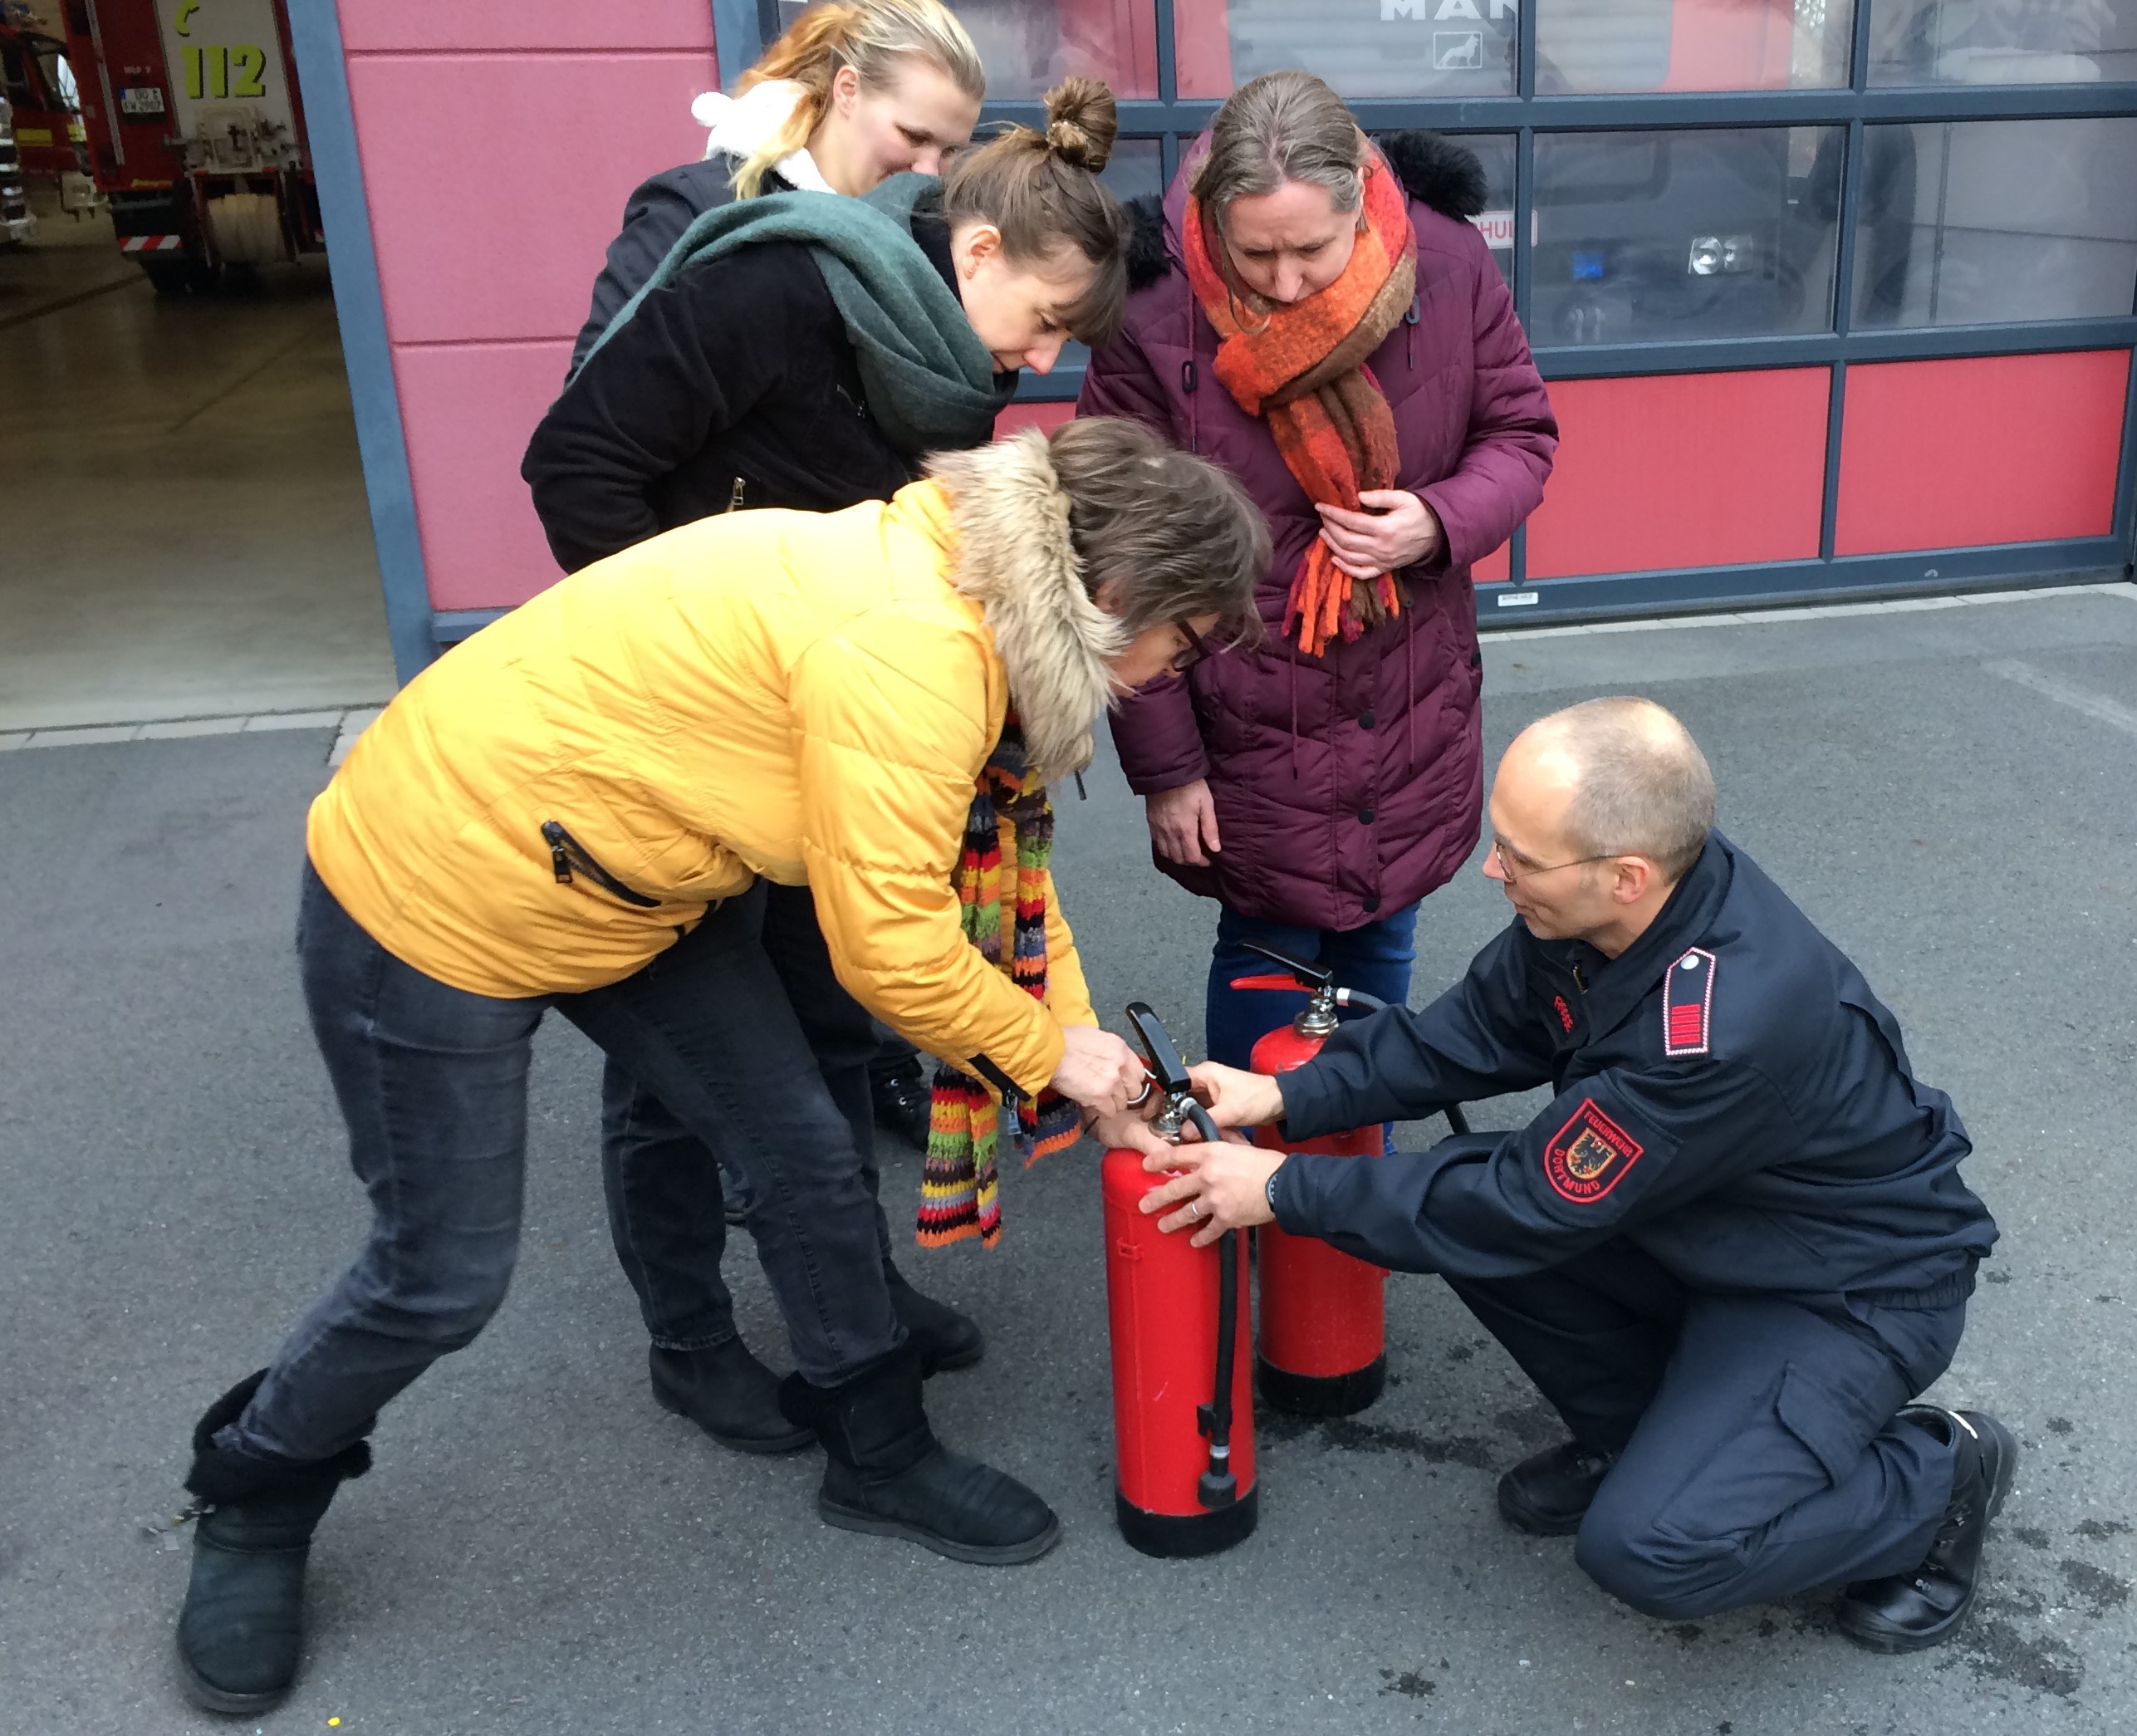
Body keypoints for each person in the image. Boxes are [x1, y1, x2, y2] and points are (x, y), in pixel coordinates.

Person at [173, 416, 1270, 1714]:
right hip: (433, 889)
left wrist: (1089, 1059)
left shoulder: (976, 588)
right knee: (439, 1273)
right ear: (1118, 590)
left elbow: (1005, 881)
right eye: (1184, 644)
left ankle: (869, 1442)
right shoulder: (912, 643)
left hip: (629, 873)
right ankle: (252, 1488)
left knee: (801, 1146)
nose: (1165, 678)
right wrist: (1063, 1068)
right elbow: (897, 952)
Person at [1137, 698, 2012, 1653]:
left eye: (1516, 853)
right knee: (1458, 1190)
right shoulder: (1610, 908)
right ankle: (1642, 1439)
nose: (1490, 866)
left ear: (1624, 874)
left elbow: (1528, 1204)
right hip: (1713, 1225)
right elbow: (1463, 1036)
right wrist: (1279, 1097)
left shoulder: (1721, 1024)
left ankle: (1937, 1480)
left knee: (1652, 1550)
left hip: (1845, 1288)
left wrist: (1276, 1190)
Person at [522, 79, 1129, 1455]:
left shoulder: (950, 367)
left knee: (839, 1022)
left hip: (832, 738)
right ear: (977, 253)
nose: (1037, 366)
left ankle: (850, 1288)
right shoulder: (776, 285)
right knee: (679, 1083)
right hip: (684, 745)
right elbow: (575, 466)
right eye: (1044, 324)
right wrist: (701, 678)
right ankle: (689, 1343)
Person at [1078, 70, 1556, 1084]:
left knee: (1382, 934)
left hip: (1406, 690)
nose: (1286, 284)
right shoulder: (1154, 307)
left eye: (1311, 250)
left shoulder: (1451, 263)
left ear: (1365, 203)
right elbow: (1115, 554)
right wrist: (1164, 766)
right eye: (1255, 255)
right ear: (1209, 223)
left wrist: (1436, 519)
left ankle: (1346, 1168)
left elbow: (1519, 435)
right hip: (1247, 708)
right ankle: (1245, 1152)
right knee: (1263, 949)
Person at [568, 0, 987, 377]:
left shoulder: (926, 241)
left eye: (950, 151)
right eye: (913, 137)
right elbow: (593, 397)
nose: (930, 173)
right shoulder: (696, 207)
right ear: (847, 90)